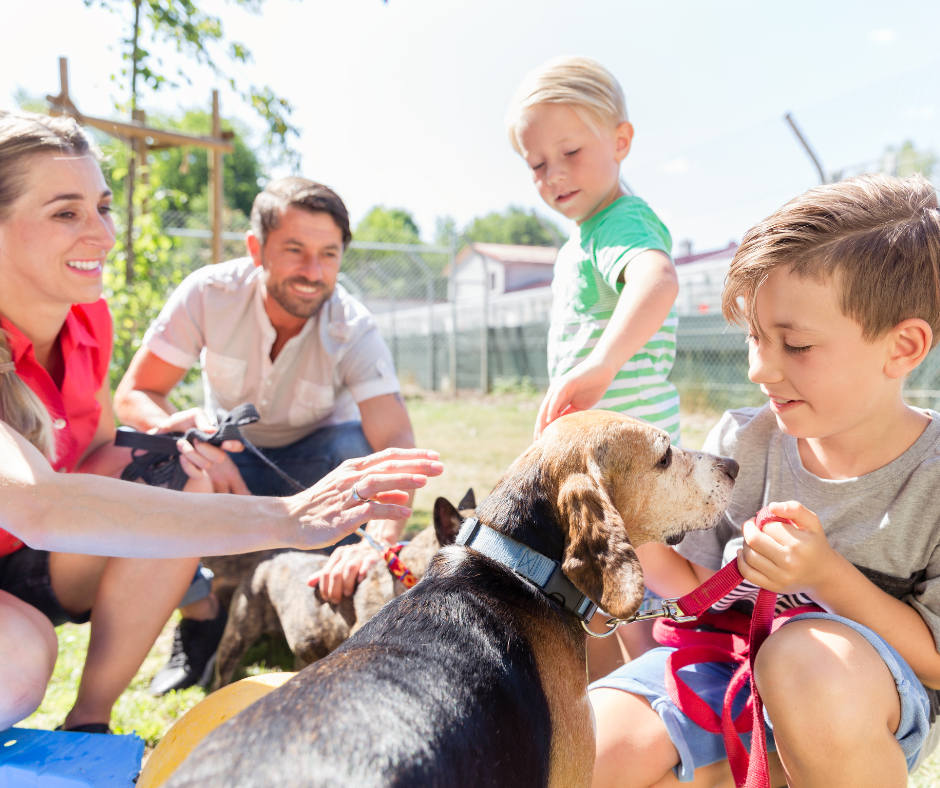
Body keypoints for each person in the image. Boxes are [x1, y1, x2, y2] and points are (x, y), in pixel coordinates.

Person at [590, 174, 940, 788]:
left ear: (903, 347)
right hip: (721, 668)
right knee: (592, 747)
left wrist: (824, 574)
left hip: (845, 698)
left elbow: (936, 664)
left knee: (803, 661)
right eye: (754, 337)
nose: (759, 368)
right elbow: (694, 586)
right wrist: (627, 531)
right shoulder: (743, 442)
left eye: (796, 345)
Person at [113, 177, 417, 690]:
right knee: (146, 457)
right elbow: (135, 394)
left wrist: (380, 545)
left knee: (354, 447)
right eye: (295, 250)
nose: (313, 272)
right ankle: (201, 616)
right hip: (228, 459)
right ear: (256, 249)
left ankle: (317, 594)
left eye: (329, 255)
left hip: (314, 471)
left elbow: (396, 444)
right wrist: (189, 440)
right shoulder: (208, 293)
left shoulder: (354, 327)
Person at [1, 416, 441, 730]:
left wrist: (174, 437)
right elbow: (40, 505)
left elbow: (92, 459)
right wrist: (286, 515)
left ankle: (87, 723)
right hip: (31, 536)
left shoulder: (87, 320)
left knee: (179, 470)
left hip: (30, 559)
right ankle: (201, 610)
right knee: (16, 674)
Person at [505, 56, 681, 444]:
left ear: (620, 142)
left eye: (570, 152)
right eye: (536, 164)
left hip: (634, 453)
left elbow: (657, 278)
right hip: (608, 446)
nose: (555, 174)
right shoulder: (583, 237)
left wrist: (603, 363)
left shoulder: (620, 221)